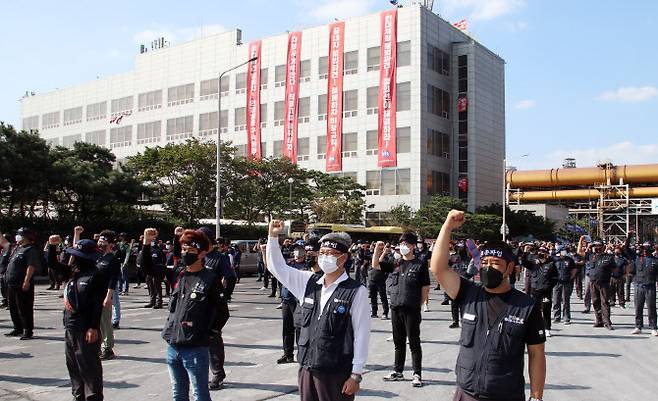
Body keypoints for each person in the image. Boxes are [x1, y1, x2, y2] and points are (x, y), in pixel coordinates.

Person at [430, 210, 546, 401]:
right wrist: (447, 226)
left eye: (495, 263)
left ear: (509, 268)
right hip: (466, 394)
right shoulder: (468, 293)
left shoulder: (526, 306)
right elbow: (438, 268)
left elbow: (536, 354)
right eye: (484, 262)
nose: (488, 267)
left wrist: (536, 396)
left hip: (506, 395)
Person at [266, 220, 370, 401]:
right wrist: (273, 237)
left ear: (343, 258)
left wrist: (356, 375)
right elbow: (277, 268)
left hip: (336, 372)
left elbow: (361, 335)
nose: (324, 257)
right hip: (307, 366)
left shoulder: (356, 291)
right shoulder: (308, 282)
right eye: (322, 253)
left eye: (330, 254)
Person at [159, 228, 229, 401]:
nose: (185, 254)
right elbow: (147, 266)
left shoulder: (210, 278)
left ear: (202, 253)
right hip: (173, 345)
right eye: (183, 249)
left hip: (195, 348)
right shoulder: (179, 273)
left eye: (190, 250)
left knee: (200, 394)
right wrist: (146, 243)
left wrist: (209, 333)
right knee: (178, 392)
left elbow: (222, 312)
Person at [372, 232, 431, 388]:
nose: (403, 247)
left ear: (413, 246)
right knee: (398, 342)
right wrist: (378, 250)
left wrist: (420, 303)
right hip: (396, 307)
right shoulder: (396, 263)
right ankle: (398, 371)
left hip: (411, 308)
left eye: (406, 244)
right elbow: (376, 265)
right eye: (402, 244)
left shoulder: (420, 264)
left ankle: (417, 373)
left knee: (414, 342)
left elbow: (425, 286)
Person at [62, 239, 107, 401]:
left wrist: (93, 327)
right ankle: (78, 396)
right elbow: (53, 265)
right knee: (73, 366)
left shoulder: (97, 275)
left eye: (77, 256)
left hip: (86, 328)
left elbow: (97, 305)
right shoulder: (75, 272)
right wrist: (52, 247)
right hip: (71, 326)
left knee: (89, 368)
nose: (75, 258)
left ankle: (93, 398)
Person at [195, 226, 232, 390]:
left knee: (213, 339)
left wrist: (222, 297)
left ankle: (217, 374)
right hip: (197, 305)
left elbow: (230, 277)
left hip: (213, 307)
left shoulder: (219, 258)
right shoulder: (197, 256)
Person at [4, 227, 41, 340]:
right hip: (12, 283)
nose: (17, 237)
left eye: (19, 235)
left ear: (26, 237)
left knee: (24, 308)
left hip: (22, 284)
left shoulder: (30, 250)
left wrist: (26, 281)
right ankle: (17, 328)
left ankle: (27, 330)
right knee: (13, 307)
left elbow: (31, 266)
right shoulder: (17, 248)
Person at [577, 237, 617, 329]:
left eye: (599, 246)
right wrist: (589, 246)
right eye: (596, 246)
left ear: (603, 247)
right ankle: (599, 321)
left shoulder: (608, 257)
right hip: (593, 282)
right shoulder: (591, 256)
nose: (597, 248)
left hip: (604, 283)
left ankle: (607, 322)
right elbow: (580, 253)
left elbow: (614, 269)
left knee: (605, 302)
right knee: (595, 301)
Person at [277, 244, 307, 364]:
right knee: (287, 328)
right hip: (287, 299)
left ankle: (301, 354)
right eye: (295, 251)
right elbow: (275, 268)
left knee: (299, 328)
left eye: (300, 250)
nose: (297, 253)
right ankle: (287, 354)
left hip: (300, 300)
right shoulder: (289, 264)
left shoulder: (307, 266)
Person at [96, 230, 121, 359]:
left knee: (105, 322)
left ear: (110, 244)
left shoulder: (113, 260)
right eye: (99, 240)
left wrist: (108, 297)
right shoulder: (98, 257)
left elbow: (113, 281)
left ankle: (108, 348)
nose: (100, 243)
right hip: (94, 293)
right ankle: (97, 346)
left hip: (105, 293)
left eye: (103, 241)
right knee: (96, 322)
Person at [523, 247, 558, 337]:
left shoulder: (551, 264)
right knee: (535, 310)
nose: (541, 253)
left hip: (546, 291)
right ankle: (535, 328)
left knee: (546, 310)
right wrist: (526, 251)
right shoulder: (533, 264)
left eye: (543, 252)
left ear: (546, 254)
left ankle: (547, 328)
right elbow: (523, 262)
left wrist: (549, 286)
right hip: (535, 290)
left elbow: (555, 278)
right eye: (540, 252)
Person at [630, 241, 658, 336]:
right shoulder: (638, 258)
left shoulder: (655, 260)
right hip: (639, 286)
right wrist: (629, 237)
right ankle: (638, 326)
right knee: (638, 307)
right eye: (644, 248)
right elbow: (626, 250)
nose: (645, 250)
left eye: (647, 248)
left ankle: (653, 327)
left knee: (651, 308)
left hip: (650, 286)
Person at [139, 230, 166, 309]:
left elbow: (163, 260)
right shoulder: (147, 250)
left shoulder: (159, 250)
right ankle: (152, 301)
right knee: (150, 286)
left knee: (157, 286)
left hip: (157, 271)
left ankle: (159, 302)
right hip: (149, 270)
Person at [552, 247, 577, 325]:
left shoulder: (569, 260)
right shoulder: (554, 259)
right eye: (562, 251)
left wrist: (571, 277)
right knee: (556, 300)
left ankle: (566, 317)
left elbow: (574, 269)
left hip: (566, 282)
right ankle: (557, 317)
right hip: (556, 283)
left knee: (566, 300)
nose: (563, 253)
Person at [365, 242, 389, 320]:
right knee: (373, 297)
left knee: (383, 297)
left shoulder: (385, 257)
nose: (378, 249)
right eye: (377, 248)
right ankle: (374, 312)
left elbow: (380, 262)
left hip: (380, 280)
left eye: (379, 248)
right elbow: (363, 256)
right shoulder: (372, 256)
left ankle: (385, 313)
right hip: (372, 280)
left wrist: (384, 253)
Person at [1, 233, 14, 309]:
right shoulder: (4, 248)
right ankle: (5, 301)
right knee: (3, 288)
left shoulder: (11, 248)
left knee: (7, 288)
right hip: (2, 270)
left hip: (7, 270)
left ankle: (10, 303)